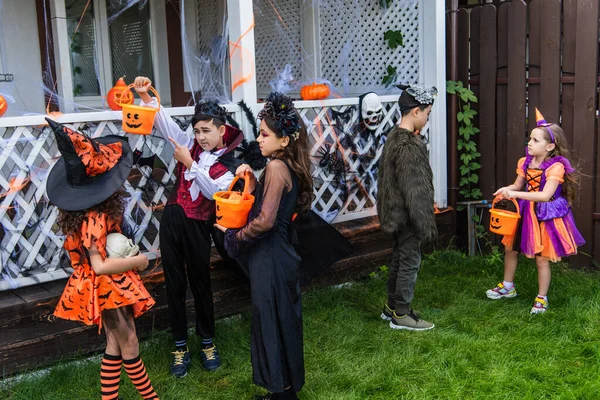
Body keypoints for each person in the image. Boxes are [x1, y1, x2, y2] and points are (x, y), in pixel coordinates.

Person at [133, 77, 243, 377]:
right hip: (172, 220)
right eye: (197, 131)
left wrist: (191, 164)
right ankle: (179, 346)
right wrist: (146, 97)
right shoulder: (188, 144)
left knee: (200, 284)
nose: (201, 137)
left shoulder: (228, 166)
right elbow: (164, 123)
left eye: (206, 131)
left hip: (197, 227)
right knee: (174, 284)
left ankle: (207, 342)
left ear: (221, 130)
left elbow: (213, 194)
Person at [46, 118, 159, 400]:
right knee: (129, 343)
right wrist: (139, 261)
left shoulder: (82, 215)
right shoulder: (95, 217)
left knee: (115, 344)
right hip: (107, 285)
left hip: (105, 284)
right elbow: (100, 265)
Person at [215, 92, 312, 400]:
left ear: (284, 140)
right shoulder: (284, 166)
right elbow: (273, 205)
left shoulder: (276, 168)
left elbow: (265, 220)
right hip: (279, 255)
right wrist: (252, 182)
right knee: (281, 320)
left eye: (264, 134)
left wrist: (233, 238)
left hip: (270, 258)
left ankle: (281, 395)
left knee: (270, 323)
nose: (258, 139)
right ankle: (282, 391)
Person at [486, 108, 585, 314]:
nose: (529, 143)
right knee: (510, 248)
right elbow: (517, 185)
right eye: (529, 138)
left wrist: (517, 195)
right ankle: (507, 286)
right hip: (525, 211)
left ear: (550, 146)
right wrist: (507, 190)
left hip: (546, 214)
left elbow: (544, 195)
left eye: (535, 140)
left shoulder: (556, 167)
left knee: (541, 258)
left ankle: (541, 298)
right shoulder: (525, 162)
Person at [376, 84, 438, 331]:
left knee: (399, 258)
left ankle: (391, 307)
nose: (427, 117)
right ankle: (401, 314)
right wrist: (424, 221)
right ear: (415, 112)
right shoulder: (409, 146)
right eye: (427, 113)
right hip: (409, 214)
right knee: (410, 260)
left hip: (395, 212)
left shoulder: (394, 136)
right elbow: (415, 189)